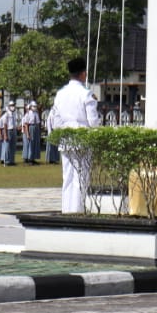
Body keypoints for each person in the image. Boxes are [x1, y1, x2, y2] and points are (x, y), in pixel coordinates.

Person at [49, 57, 101, 213]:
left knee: (68, 177)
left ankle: (66, 209)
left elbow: (56, 120)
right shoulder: (86, 94)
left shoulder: (60, 94)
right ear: (83, 74)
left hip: (66, 138)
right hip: (82, 138)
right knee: (81, 177)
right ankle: (78, 210)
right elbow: (93, 122)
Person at [0, 102, 18, 166]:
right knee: (7, 146)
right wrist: (5, 135)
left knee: (13, 147)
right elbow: (5, 125)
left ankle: (11, 160)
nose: (13, 106)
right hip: (8, 130)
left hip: (13, 130)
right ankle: (6, 161)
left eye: (13, 105)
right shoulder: (6, 114)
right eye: (11, 105)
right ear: (9, 106)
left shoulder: (14, 114)